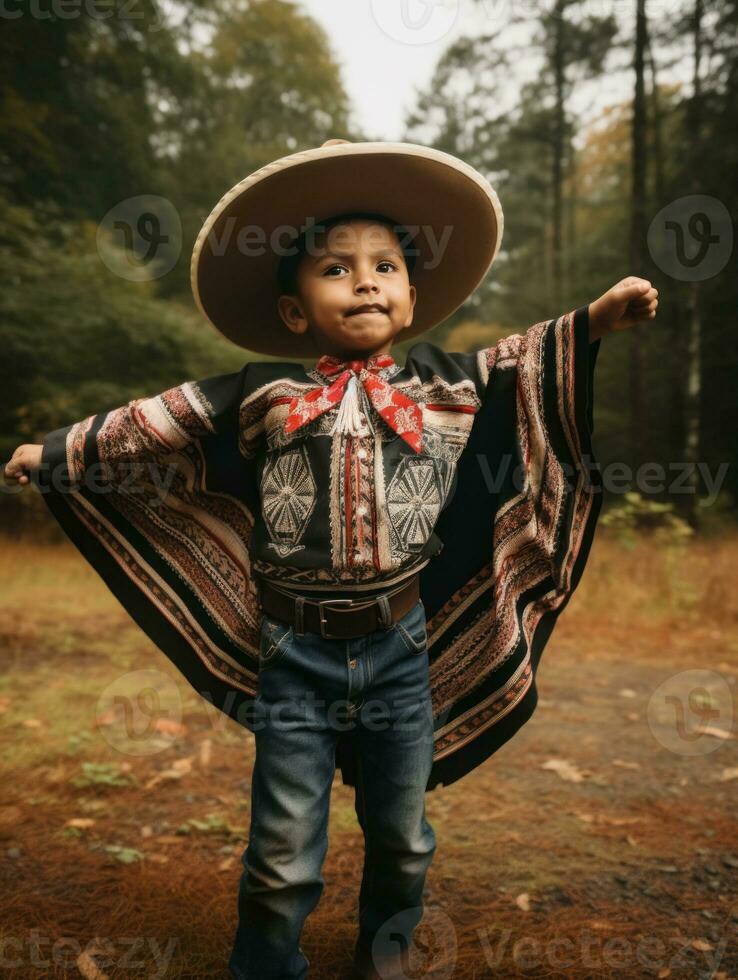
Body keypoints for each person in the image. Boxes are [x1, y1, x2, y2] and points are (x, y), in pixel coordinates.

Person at [4, 139, 658, 980]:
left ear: (412, 300)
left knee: (403, 835)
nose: (365, 281)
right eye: (337, 269)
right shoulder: (261, 393)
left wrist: (595, 320)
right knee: (281, 851)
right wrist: (56, 451)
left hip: (403, 652)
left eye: (385, 266)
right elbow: (155, 420)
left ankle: (381, 961)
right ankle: (266, 967)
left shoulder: (445, 388)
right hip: (294, 656)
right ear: (293, 310)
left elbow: (525, 360)